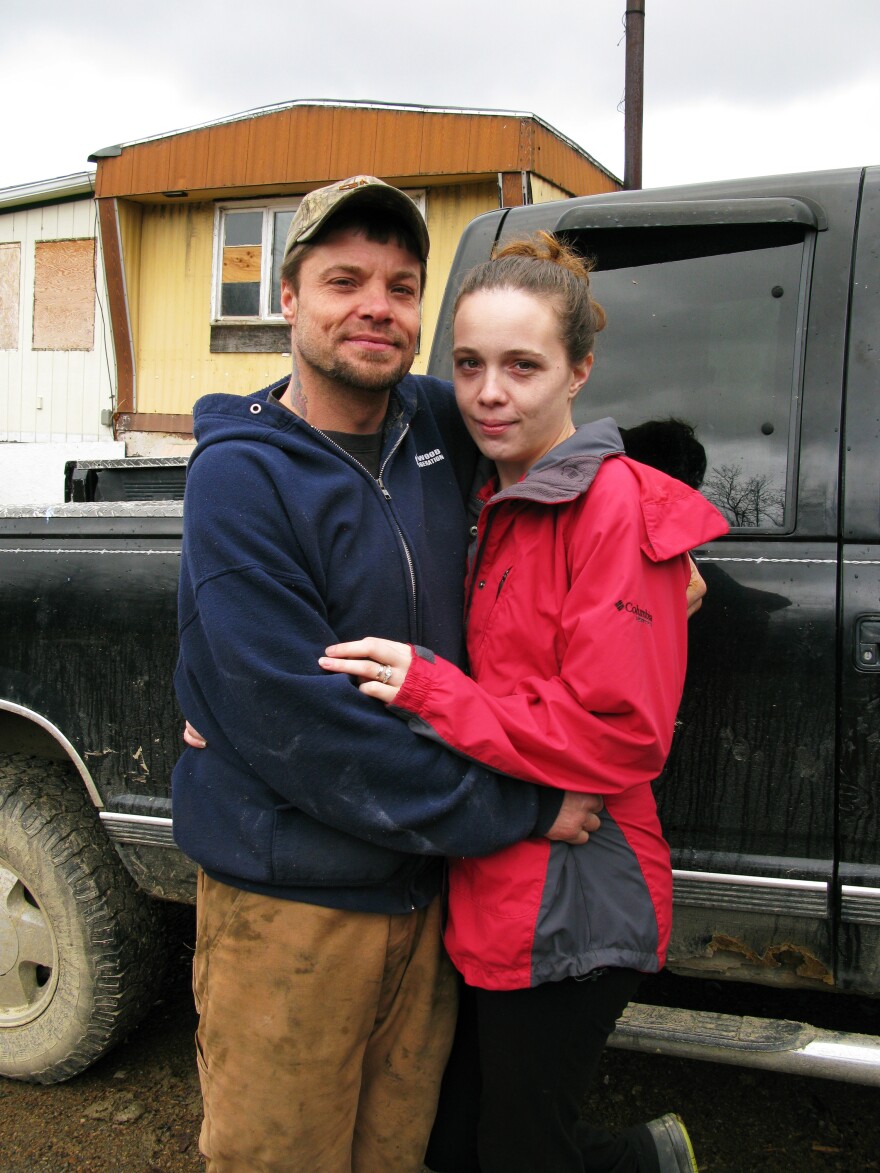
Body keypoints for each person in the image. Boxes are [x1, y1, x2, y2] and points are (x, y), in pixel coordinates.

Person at [172, 176, 608, 1173]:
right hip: (293, 906)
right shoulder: (243, 474)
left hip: (422, 899)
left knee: (393, 1157)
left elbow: (579, 472)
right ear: (288, 298)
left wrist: (667, 564)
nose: (377, 305)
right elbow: (309, 730)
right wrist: (524, 808)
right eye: (345, 280)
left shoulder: (439, 419)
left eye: (402, 286)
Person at [319, 232, 729, 1172]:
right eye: (467, 366)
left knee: (513, 1151)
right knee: (459, 1140)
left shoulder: (611, 511)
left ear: (580, 369)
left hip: (578, 892)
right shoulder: (481, 496)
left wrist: (432, 688)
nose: (489, 393)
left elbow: (614, 735)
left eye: (522, 365)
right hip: (498, 875)